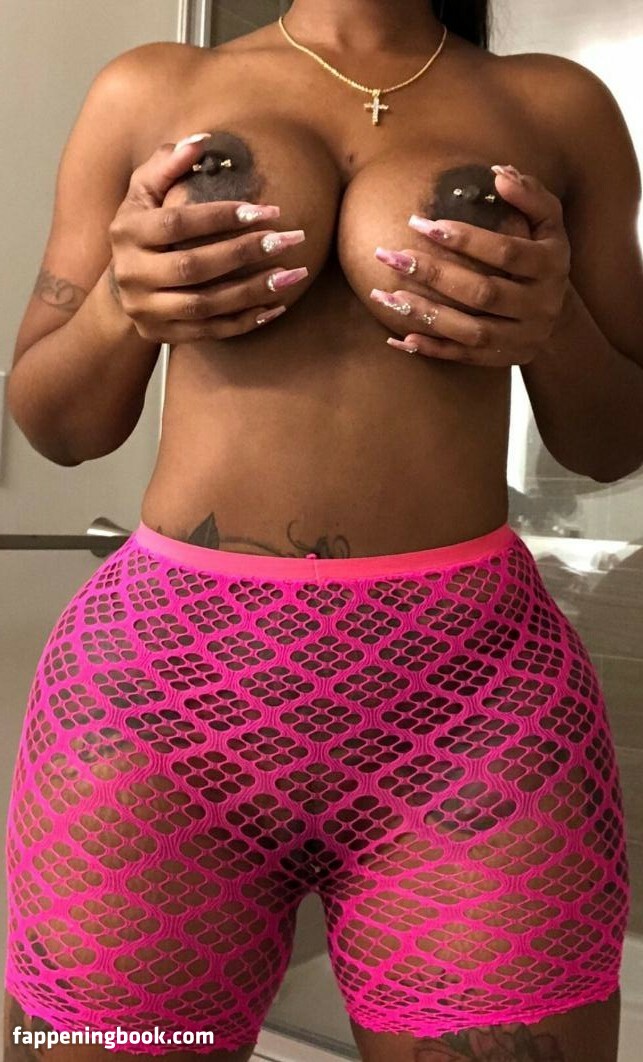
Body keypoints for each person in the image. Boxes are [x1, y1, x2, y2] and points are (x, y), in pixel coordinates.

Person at [5, 1, 643, 1060]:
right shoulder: (148, 89)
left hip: (473, 704)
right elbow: (58, 427)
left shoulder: (554, 106)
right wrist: (122, 302)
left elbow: (611, 443)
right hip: (160, 701)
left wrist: (557, 321)